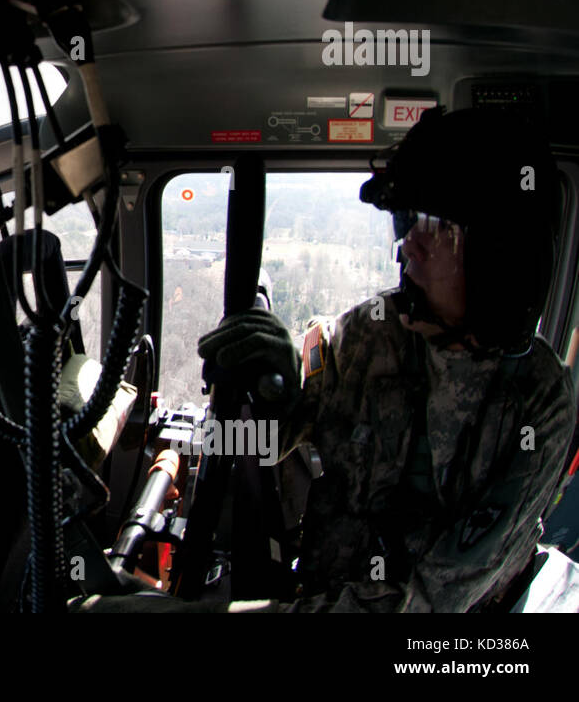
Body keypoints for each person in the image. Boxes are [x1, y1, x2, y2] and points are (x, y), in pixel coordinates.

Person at [197, 107, 576, 611]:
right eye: (407, 222)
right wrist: (272, 393)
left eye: (436, 227)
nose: (407, 247)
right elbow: (263, 446)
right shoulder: (368, 334)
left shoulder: (538, 399)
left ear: (497, 259)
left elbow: (433, 602)